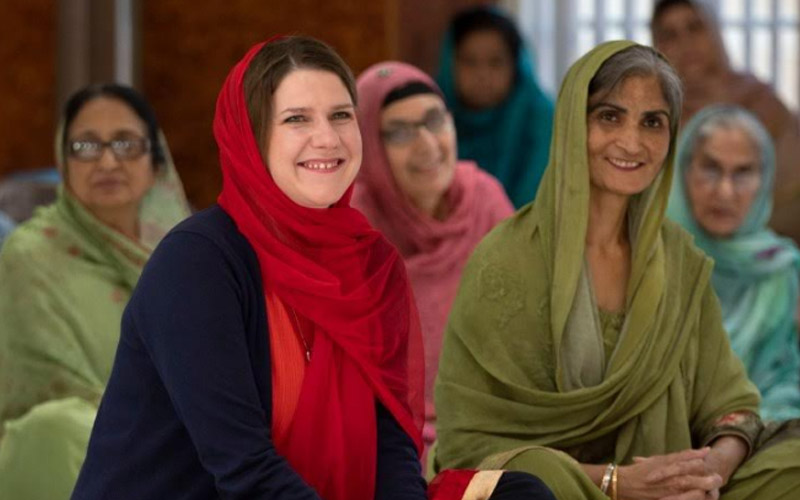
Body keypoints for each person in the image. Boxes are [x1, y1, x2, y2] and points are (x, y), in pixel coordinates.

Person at [72, 36, 555, 500]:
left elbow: (390, 448)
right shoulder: (198, 263)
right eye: (296, 119)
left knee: (520, 491)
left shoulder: (370, 264)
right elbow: (243, 468)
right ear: (251, 137)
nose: (327, 138)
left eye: (341, 115)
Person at [434, 40, 800, 499]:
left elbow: (731, 406)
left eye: (652, 122)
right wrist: (618, 482)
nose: (631, 142)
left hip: (670, 485)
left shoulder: (678, 259)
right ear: (573, 123)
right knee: (533, 475)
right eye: (610, 116)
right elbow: (470, 442)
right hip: (562, 489)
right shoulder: (506, 260)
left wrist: (708, 474)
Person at [0, 83, 190, 499]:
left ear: (155, 162)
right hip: (76, 449)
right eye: (85, 146)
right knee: (55, 429)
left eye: (125, 144)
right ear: (63, 162)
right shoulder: (31, 256)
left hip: (177, 445)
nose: (107, 161)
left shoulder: (186, 258)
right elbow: (48, 389)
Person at [352, 61, 513, 455]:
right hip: (389, 437)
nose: (426, 144)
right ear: (369, 146)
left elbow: (526, 332)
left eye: (434, 121)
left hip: (497, 424)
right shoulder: (353, 229)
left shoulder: (484, 201)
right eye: (400, 132)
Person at [668, 104, 800, 421]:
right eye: (710, 168)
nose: (725, 191)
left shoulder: (777, 268)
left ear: (764, 180)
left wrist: (744, 423)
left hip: (759, 426)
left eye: (743, 173)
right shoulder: (656, 257)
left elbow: (785, 379)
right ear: (684, 171)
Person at [651, 0, 800, 244]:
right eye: (670, 35)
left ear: (714, 32)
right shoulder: (656, 115)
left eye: (694, 28)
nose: (685, 43)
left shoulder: (760, 100)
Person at [436, 6, 554, 208]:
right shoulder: (431, 119)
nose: (482, 74)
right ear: (449, 64)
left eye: (496, 62)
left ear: (517, 66)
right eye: (469, 62)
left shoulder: (541, 119)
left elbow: (533, 207)